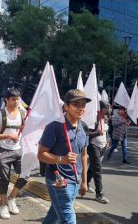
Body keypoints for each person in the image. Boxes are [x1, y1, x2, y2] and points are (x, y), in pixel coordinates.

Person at [38, 89, 90, 224]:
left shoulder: (83, 127)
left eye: (83, 105)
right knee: (68, 219)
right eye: (76, 104)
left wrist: (84, 181)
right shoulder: (55, 126)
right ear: (66, 107)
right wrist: (62, 159)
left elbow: (83, 155)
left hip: (75, 180)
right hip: (58, 181)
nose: (81, 108)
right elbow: (41, 154)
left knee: (55, 214)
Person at [0, 88, 28, 219]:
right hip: (3, 151)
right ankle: (3, 205)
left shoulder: (23, 113)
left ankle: (12, 198)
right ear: (6, 100)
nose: (16, 102)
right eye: (13, 99)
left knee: (25, 175)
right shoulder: (0, 114)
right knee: (5, 179)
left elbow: (27, 128)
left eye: (17, 99)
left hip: (19, 150)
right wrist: (8, 136)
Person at [87, 100, 110, 203]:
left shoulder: (105, 119)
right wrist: (97, 133)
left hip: (102, 146)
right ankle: (99, 194)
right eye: (104, 109)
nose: (106, 111)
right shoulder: (93, 119)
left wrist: (107, 140)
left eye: (106, 109)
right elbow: (86, 133)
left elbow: (106, 132)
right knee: (97, 169)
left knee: (93, 167)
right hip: (93, 146)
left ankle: (86, 183)